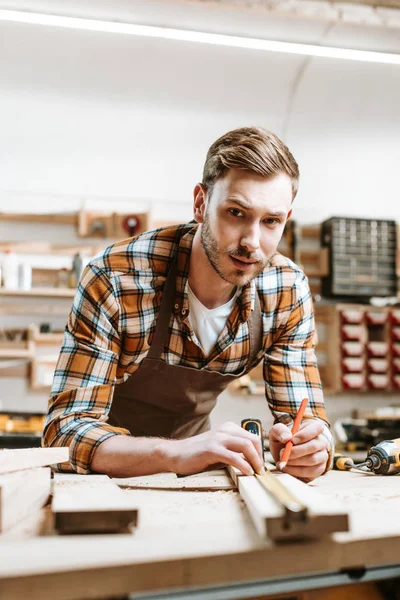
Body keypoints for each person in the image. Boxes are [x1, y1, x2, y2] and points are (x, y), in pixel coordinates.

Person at [43, 126, 333, 481]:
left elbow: (305, 418)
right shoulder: (116, 279)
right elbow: (65, 434)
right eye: (236, 213)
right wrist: (175, 453)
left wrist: (312, 448)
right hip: (102, 479)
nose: (251, 242)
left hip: (196, 474)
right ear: (200, 203)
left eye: (270, 221)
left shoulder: (285, 290)